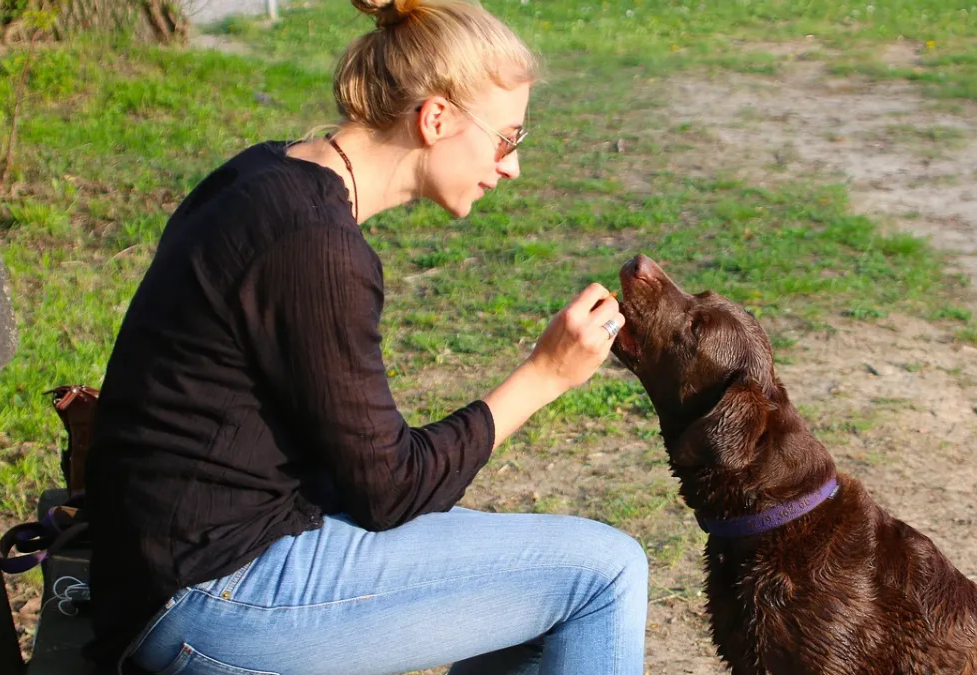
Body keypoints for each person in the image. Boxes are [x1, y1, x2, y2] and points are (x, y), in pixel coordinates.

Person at [82, 0, 648, 673]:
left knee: (542, 579)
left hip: (176, 566)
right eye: (508, 138)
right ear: (436, 118)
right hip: (206, 596)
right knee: (605, 573)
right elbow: (388, 491)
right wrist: (546, 375)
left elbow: (361, 469)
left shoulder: (268, 177)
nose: (511, 167)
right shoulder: (316, 247)